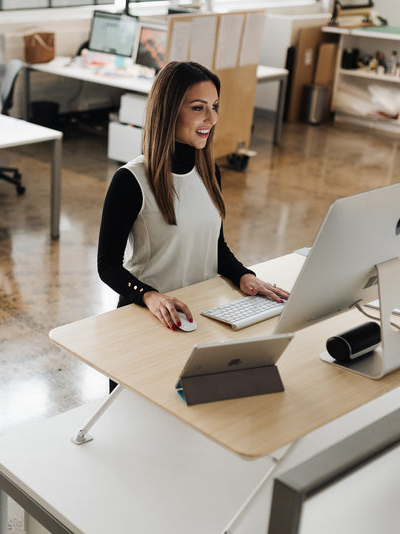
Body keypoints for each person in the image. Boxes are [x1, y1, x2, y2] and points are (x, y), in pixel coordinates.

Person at [97, 61, 289, 336]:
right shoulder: (130, 180)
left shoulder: (209, 172)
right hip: (148, 315)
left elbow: (215, 247)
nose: (212, 119)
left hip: (200, 312)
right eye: (199, 108)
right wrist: (150, 296)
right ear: (169, 111)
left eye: (215, 106)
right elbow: (108, 265)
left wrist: (244, 276)